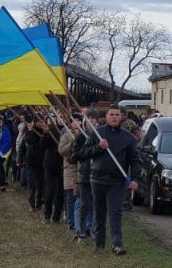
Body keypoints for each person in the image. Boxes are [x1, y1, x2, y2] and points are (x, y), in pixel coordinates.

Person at [78, 105, 142, 255]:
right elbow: (82, 154)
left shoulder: (127, 137)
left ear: (121, 117)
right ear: (106, 117)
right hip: (97, 179)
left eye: (117, 114)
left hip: (117, 181)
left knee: (115, 212)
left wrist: (135, 178)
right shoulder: (97, 134)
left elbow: (134, 159)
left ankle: (117, 244)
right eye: (111, 114)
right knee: (99, 213)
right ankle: (99, 244)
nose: (114, 117)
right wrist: (99, 147)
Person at [73, 112, 98, 241]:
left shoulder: (100, 135)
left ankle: (94, 230)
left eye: (93, 119)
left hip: (98, 175)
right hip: (85, 174)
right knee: (84, 204)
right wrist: (87, 152)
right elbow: (75, 155)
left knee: (97, 205)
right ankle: (81, 230)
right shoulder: (80, 137)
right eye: (89, 119)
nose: (91, 121)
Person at [60, 119, 80, 231]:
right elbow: (61, 150)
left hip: (81, 170)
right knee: (70, 197)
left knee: (79, 197)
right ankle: (70, 220)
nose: (77, 123)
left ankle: (78, 222)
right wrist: (72, 142)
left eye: (79, 121)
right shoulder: (66, 136)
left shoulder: (84, 134)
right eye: (74, 121)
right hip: (69, 169)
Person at [42, 120, 64, 224]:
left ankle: (56, 217)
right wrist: (46, 133)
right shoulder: (51, 128)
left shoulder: (69, 128)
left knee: (60, 193)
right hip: (50, 164)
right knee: (50, 190)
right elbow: (43, 146)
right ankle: (47, 215)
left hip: (63, 164)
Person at [24, 117, 46, 210]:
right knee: (32, 183)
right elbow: (29, 140)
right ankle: (31, 202)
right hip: (31, 162)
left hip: (42, 162)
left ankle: (39, 202)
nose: (40, 123)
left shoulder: (45, 132)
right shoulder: (30, 132)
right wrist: (30, 130)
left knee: (41, 184)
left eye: (41, 121)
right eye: (38, 121)